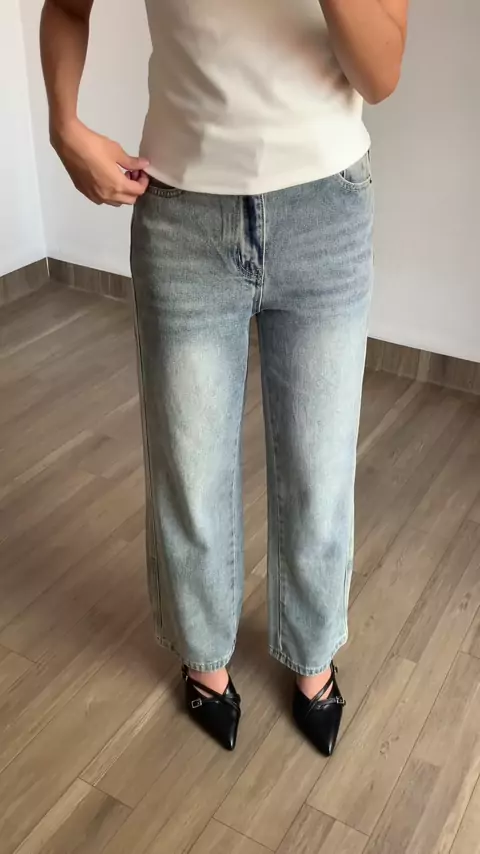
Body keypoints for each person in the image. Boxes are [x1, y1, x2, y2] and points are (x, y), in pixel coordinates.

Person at [41, 0, 408, 755]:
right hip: (182, 219)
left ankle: (313, 655)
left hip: (326, 210)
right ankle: (204, 657)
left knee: (320, 467)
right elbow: (68, 8)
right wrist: (64, 125)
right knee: (189, 465)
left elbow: (380, 74)